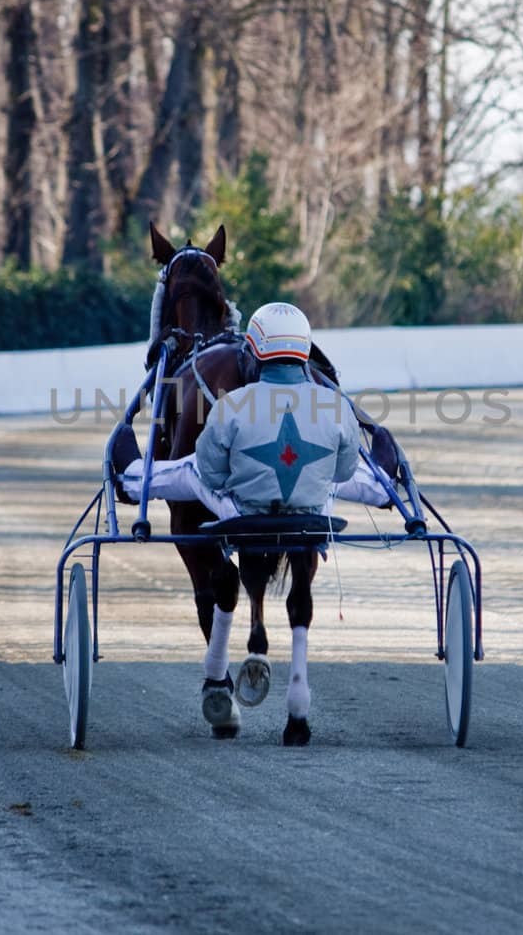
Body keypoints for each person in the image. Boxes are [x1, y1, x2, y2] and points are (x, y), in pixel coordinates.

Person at [190, 302, 359, 740]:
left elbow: (209, 473)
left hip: (243, 522)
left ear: (253, 351)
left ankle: (217, 663)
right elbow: (343, 473)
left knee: (197, 479)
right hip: (309, 521)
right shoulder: (336, 405)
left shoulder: (232, 405)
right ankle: (298, 700)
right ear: (304, 351)